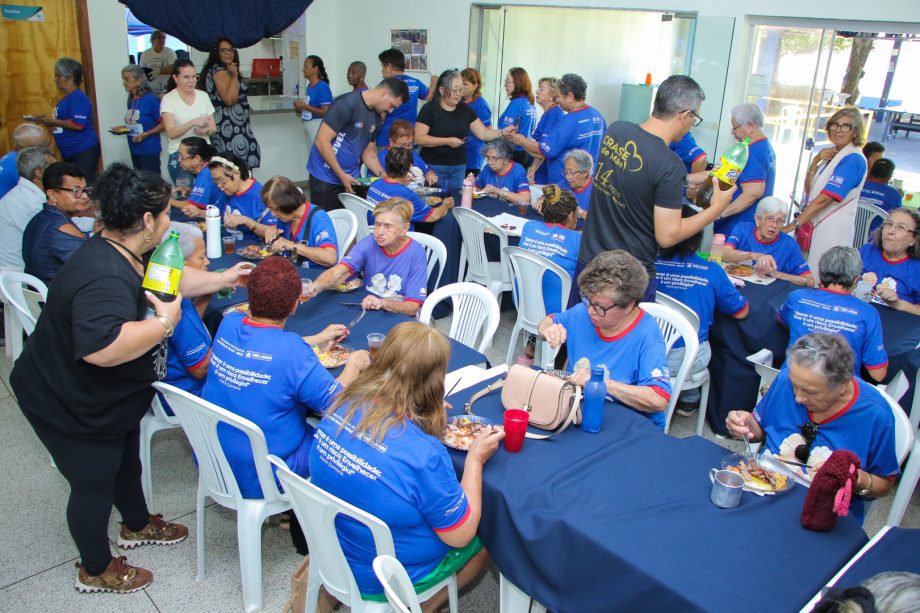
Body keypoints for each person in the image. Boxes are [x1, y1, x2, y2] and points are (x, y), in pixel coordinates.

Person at [10, 163, 250, 594]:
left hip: (106, 394)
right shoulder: (103, 274)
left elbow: (168, 280)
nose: (168, 220)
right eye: (164, 214)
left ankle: (137, 525)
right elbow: (102, 347)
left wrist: (224, 277)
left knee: (125, 458)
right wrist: (164, 321)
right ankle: (95, 568)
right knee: (93, 481)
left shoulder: (118, 248)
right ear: (145, 221)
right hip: (63, 397)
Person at [309, 321, 502, 609]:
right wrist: (474, 459)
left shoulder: (342, 403)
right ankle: (424, 604)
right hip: (385, 572)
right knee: (483, 541)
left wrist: (422, 416)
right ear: (433, 382)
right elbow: (461, 535)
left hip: (332, 545)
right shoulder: (425, 455)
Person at [203, 255, 369, 502]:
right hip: (265, 472)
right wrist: (354, 365)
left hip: (214, 456)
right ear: (294, 306)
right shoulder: (291, 352)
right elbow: (333, 404)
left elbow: (264, 348)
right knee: (348, 443)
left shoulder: (230, 322)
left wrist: (315, 339)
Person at [579, 75, 734, 304]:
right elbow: (667, 235)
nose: (693, 123)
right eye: (695, 117)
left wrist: (688, 182)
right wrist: (715, 209)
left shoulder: (617, 130)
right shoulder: (669, 165)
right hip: (625, 281)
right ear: (685, 115)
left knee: (580, 335)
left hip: (590, 263)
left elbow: (635, 180)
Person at [726, 333, 899, 523]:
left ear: (843, 385)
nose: (798, 397)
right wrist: (745, 425)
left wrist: (854, 477)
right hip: (764, 491)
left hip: (822, 514)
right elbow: (759, 431)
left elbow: (884, 485)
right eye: (795, 386)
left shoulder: (876, 416)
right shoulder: (787, 380)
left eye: (810, 392)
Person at [538, 250, 672, 429]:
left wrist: (600, 384)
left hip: (627, 425)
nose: (591, 311)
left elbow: (658, 399)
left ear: (629, 305)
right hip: (579, 413)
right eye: (589, 300)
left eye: (600, 307)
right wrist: (549, 329)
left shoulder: (647, 335)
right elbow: (546, 322)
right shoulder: (582, 312)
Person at [656, 206, 748, 415]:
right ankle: (688, 397)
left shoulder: (648, 264)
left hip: (647, 351)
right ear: (697, 236)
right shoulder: (712, 271)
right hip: (687, 357)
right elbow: (741, 311)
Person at [779, 246, 887, 382]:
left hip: (791, 382)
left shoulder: (797, 297)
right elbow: (878, 373)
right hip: (836, 394)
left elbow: (782, 320)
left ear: (820, 273)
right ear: (856, 279)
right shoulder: (868, 313)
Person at [787, 107, 868, 278]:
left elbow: (825, 199)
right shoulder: (833, 154)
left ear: (855, 131)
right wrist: (815, 162)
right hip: (815, 222)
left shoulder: (853, 160)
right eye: (835, 125)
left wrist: (795, 224)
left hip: (832, 226)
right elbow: (810, 193)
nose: (838, 130)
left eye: (846, 126)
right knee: (807, 273)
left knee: (821, 275)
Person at [306, 78, 409, 211]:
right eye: (392, 105)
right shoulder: (346, 104)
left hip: (351, 179)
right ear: (384, 94)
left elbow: (368, 151)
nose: (390, 111)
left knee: (350, 224)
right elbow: (321, 141)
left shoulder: (377, 116)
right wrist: (341, 175)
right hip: (325, 177)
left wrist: (382, 173)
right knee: (328, 223)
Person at [313, 198, 428, 316]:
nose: (379, 232)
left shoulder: (416, 253)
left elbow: (412, 307)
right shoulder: (368, 243)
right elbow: (340, 272)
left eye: (388, 226)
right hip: (368, 307)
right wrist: (315, 287)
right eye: (377, 224)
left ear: (404, 229)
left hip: (398, 314)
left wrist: (383, 303)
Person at [516, 185, 581, 364]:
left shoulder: (529, 227)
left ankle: (532, 344)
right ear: (570, 215)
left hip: (524, 301)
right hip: (555, 310)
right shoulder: (577, 240)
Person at [416, 69, 514, 188]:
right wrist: (447, 141)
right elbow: (419, 138)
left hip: (458, 168)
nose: (459, 94)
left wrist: (502, 132)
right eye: (455, 90)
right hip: (433, 168)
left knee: (456, 202)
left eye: (461, 90)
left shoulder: (465, 110)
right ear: (441, 90)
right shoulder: (429, 109)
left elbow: (483, 133)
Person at [515, 73, 605, 188]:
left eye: (558, 97)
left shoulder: (568, 121)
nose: (557, 101)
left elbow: (544, 151)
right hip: (586, 184)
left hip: (564, 185)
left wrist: (521, 140)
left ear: (570, 97)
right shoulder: (597, 115)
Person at [160, 223, 212, 406]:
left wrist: (207, 293)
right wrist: (230, 339)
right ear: (181, 264)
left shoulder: (162, 287)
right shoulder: (176, 304)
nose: (207, 262)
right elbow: (200, 368)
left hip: (164, 387)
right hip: (190, 396)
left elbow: (186, 328)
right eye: (201, 257)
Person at [33, 58, 100, 183]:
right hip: (71, 151)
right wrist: (49, 123)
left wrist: (53, 122)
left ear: (70, 78)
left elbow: (78, 124)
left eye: (59, 76)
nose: (55, 79)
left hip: (83, 150)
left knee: (86, 185)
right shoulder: (67, 98)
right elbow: (66, 123)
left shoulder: (78, 97)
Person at [22, 162, 90, 284]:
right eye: (76, 191)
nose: (84, 196)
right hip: (57, 299)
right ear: (52, 195)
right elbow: (94, 266)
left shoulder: (37, 219)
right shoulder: (62, 229)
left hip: (38, 296)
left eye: (85, 190)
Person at [713, 103, 777, 235]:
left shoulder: (753, 151)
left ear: (751, 125)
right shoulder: (765, 146)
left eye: (735, 128)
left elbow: (752, 193)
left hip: (739, 227)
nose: (733, 133)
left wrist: (720, 213)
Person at [723, 196, 814, 287]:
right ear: (757, 219)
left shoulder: (789, 245)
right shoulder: (743, 228)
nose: (774, 225)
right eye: (770, 219)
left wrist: (778, 275)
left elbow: (810, 281)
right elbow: (724, 253)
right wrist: (756, 256)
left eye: (780, 221)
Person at [200, 37, 261, 169]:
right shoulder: (219, 71)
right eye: (224, 50)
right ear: (216, 52)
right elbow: (230, 100)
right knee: (234, 169)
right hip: (229, 130)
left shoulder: (221, 70)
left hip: (233, 127)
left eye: (231, 50)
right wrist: (234, 76)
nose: (229, 53)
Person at [160, 59, 217, 190]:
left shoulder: (203, 96)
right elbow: (171, 132)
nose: (192, 81)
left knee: (209, 193)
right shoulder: (169, 99)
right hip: (180, 155)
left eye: (194, 77)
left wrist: (207, 131)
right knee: (185, 196)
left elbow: (213, 127)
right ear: (175, 78)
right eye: (186, 77)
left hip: (203, 153)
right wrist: (192, 123)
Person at [260, 175, 339, 269]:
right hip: (291, 270)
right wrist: (274, 234)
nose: (272, 214)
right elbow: (282, 244)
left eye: (274, 209)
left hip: (314, 276)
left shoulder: (319, 219)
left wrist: (293, 246)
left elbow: (330, 258)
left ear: (287, 204)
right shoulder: (285, 217)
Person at [0, 145, 56, 271]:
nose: (59, 172)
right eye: (53, 167)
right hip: (21, 277)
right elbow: (55, 236)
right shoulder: (27, 202)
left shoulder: (28, 194)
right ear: (39, 172)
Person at [367, 147, 453, 227]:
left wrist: (401, 182)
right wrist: (446, 204)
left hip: (374, 229)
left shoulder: (375, 183)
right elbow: (433, 216)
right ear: (410, 167)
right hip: (397, 237)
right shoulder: (406, 194)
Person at [859, 207, 920, 315]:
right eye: (889, 224)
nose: (891, 231)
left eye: (901, 227)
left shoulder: (916, 268)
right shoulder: (867, 250)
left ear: (913, 239)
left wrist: (898, 304)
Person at [375, 48, 436, 148]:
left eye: (382, 66)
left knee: (385, 163)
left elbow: (380, 116)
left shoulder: (384, 86)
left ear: (389, 66)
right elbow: (430, 95)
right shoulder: (415, 83)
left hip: (387, 139)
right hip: (409, 138)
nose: (381, 70)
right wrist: (434, 80)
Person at [210, 153, 275, 240]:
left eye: (222, 181)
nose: (219, 186)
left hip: (254, 248)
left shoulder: (261, 196)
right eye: (215, 182)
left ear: (236, 174)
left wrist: (245, 221)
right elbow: (216, 214)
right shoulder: (227, 192)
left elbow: (273, 233)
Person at [516, 77, 564, 185]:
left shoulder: (554, 114)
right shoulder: (548, 113)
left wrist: (521, 140)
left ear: (552, 94)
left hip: (546, 173)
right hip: (539, 170)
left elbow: (544, 150)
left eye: (541, 89)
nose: (537, 91)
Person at [121, 64, 164, 174]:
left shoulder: (150, 98)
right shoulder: (131, 99)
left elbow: (164, 124)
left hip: (149, 149)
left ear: (139, 80)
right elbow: (135, 122)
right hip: (135, 148)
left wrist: (145, 134)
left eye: (126, 79)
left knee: (151, 184)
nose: (124, 83)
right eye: (123, 79)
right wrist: (123, 128)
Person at [374, 118, 438, 186]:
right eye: (403, 145)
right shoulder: (380, 158)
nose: (407, 148)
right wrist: (397, 181)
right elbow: (376, 183)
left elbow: (427, 170)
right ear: (391, 141)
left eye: (410, 144)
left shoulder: (413, 154)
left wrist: (430, 175)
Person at [295, 55, 333, 160]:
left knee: (318, 158)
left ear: (315, 69)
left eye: (306, 67)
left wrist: (305, 106)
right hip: (309, 125)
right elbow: (309, 108)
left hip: (318, 126)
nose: (304, 69)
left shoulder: (322, 87)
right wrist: (299, 108)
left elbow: (326, 112)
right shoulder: (310, 86)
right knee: (312, 158)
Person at [498, 67, 537, 167]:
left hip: (515, 152)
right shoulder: (529, 102)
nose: (505, 85)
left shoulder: (517, 103)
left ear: (517, 82)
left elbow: (505, 129)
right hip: (526, 151)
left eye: (507, 81)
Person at [0, 123, 51, 199]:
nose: (49, 149)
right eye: (43, 146)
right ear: (27, 149)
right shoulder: (22, 165)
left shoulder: (12, 156)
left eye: (48, 144)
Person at [175, 137, 224, 217]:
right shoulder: (206, 169)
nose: (179, 160)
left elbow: (190, 205)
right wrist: (191, 191)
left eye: (182, 157)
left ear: (197, 159)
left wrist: (165, 201)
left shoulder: (206, 174)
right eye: (178, 155)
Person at [475, 139, 530, 206]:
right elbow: (476, 192)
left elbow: (526, 200)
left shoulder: (518, 170)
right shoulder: (487, 168)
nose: (489, 162)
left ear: (506, 159)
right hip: (490, 208)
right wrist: (470, 185)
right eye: (488, 158)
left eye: (494, 158)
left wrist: (498, 191)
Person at [460, 67, 493, 177]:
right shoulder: (459, 101)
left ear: (475, 85)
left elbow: (488, 131)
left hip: (473, 154)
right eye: (460, 83)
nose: (461, 87)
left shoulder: (480, 105)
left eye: (465, 84)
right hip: (460, 152)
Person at [859, 158, 901, 236]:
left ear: (870, 171)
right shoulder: (894, 194)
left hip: (848, 234)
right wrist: (899, 197)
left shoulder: (857, 185)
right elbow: (897, 218)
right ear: (889, 176)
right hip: (875, 240)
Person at [562, 149, 594, 219]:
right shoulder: (563, 184)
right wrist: (541, 200)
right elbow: (547, 195)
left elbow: (600, 222)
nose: (567, 177)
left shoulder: (597, 192)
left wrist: (579, 211)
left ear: (585, 173)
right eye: (566, 172)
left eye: (571, 172)